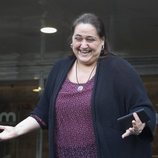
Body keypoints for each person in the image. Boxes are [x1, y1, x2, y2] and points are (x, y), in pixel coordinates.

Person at [0, 13, 156, 158]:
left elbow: (143, 108)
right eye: (78, 38)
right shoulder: (59, 69)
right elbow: (42, 112)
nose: (83, 45)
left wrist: (140, 126)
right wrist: (16, 130)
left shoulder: (119, 69)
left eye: (90, 39)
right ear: (72, 41)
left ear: (102, 41)